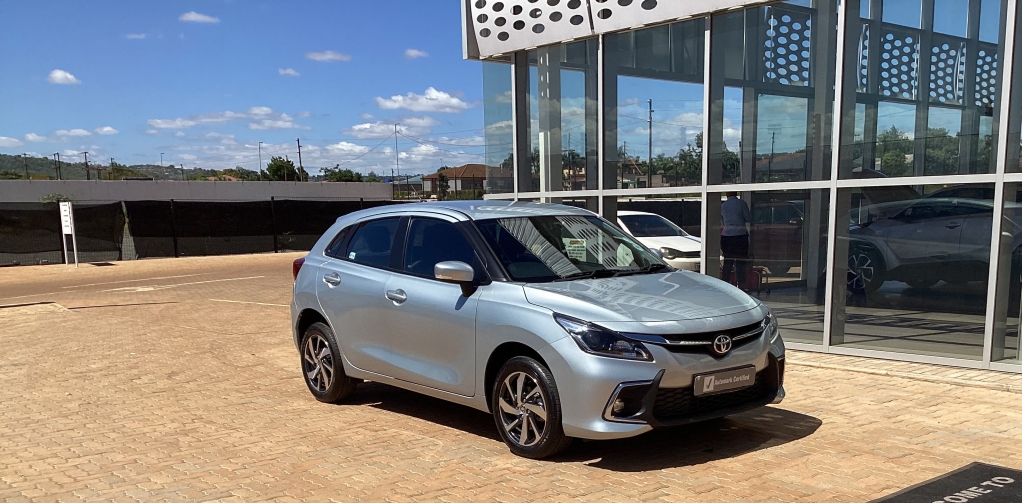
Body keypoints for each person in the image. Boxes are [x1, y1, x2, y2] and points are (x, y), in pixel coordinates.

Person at [721, 191, 752, 289]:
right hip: (740, 235)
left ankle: (725, 284)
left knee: (728, 262)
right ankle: (741, 285)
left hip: (726, 236)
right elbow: (748, 218)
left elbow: (722, 221)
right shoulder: (741, 203)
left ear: (727, 194)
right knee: (740, 262)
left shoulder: (723, 206)